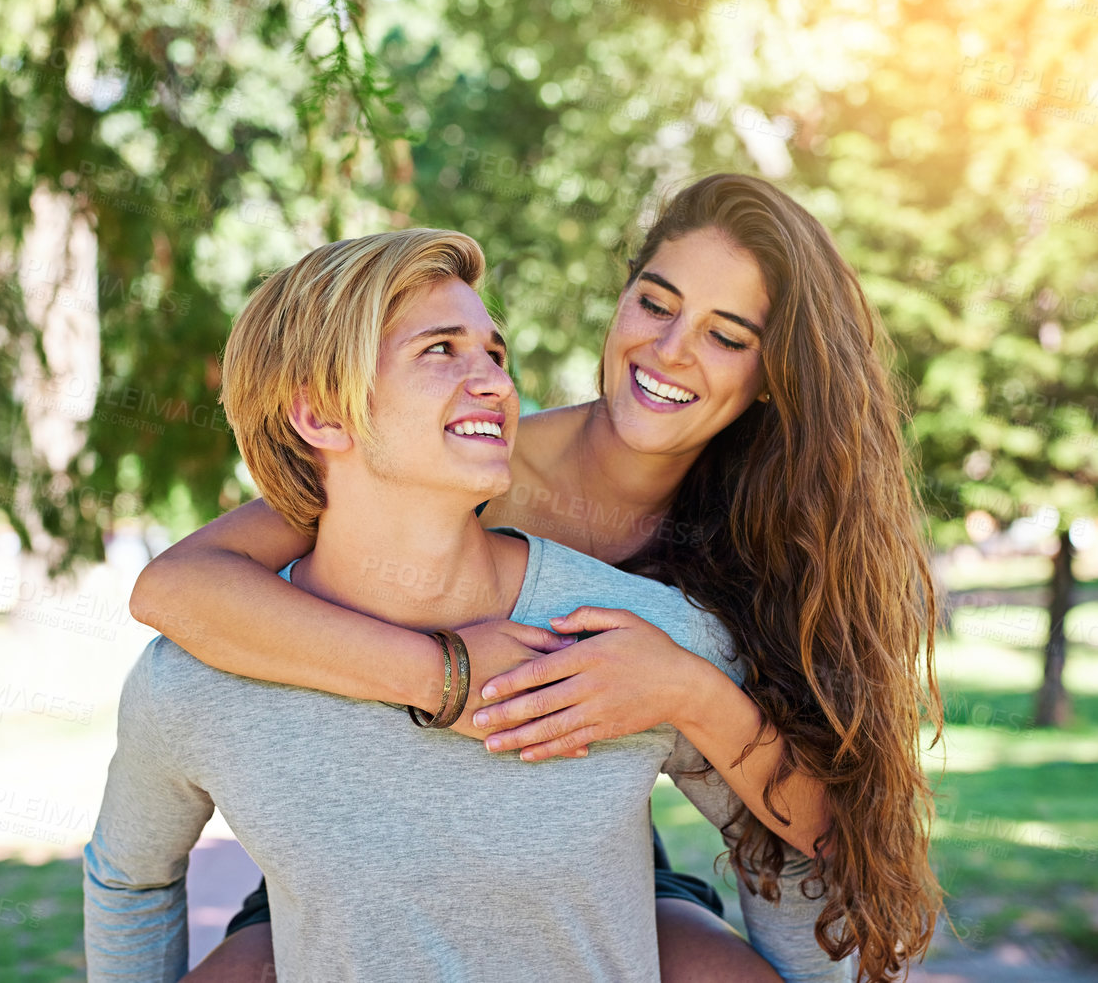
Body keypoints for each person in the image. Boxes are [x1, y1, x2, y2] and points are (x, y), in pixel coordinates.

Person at [133, 175, 945, 983]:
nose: (669, 350)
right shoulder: (469, 461)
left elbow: (820, 834)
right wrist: (444, 676)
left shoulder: (765, 551)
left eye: (725, 336)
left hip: (582, 859)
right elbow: (175, 588)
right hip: (352, 861)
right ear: (622, 299)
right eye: (656, 304)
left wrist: (686, 691)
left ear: (774, 373)